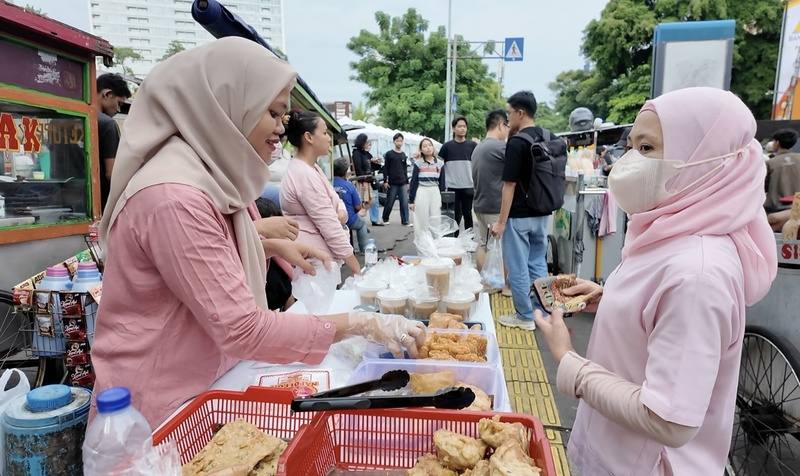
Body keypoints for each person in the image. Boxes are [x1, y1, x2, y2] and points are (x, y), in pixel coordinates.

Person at [92, 38, 425, 427]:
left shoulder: (212, 175)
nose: (281, 130)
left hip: (206, 384)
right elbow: (242, 328)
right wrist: (358, 323)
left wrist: (271, 245)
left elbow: (209, 260)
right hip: (157, 412)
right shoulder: (174, 196)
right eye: (273, 113)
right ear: (224, 107)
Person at [534, 87, 777, 475]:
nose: (628, 162)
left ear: (705, 161)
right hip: (614, 452)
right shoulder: (668, 230)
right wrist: (608, 297)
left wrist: (568, 362)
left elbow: (669, 419)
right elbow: (659, 315)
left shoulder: (698, 274)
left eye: (647, 148)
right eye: (631, 146)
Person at [491, 91, 552, 330]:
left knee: (517, 267)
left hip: (519, 216)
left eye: (509, 113)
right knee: (538, 263)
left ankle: (525, 317)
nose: (508, 118)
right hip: (542, 212)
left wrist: (501, 222)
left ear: (520, 112)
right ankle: (542, 311)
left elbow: (509, 185)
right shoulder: (548, 136)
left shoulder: (517, 142)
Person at [281, 111, 362, 275]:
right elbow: (329, 226)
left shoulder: (313, 168)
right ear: (309, 137)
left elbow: (336, 201)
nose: (328, 138)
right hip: (314, 264)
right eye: (324, 133)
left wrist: (339, 211)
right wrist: (357, 269)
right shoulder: (304, 174)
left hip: (320, 260)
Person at [472, 109, 509, 268]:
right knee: (500, 249)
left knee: (483, 245)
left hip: (480, 205)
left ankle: (483, 282)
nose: (508, 130)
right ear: (501, 125)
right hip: (495, 207)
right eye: (507, 126)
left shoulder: (478, 148)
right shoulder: (501, 147)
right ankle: (499, 286)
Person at [96, 73, 132, 210]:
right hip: (100, 204)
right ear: (107, 94)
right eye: (119, 103)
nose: (118, 110)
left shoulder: (61, 120)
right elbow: (111, 173)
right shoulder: (107, 124)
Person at [439, 116, 478, 233]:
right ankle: (454, 243)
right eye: (459, 126)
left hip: (468, 186)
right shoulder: (446, 147)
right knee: (454, 217)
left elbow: (477, 166)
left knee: (468, 215)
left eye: (464, 126)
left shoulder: (473, 146)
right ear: (453, 129)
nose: (462, 129)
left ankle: (469, 242)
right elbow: (439, 166)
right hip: (452, 187)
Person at [409, 138, 445, 237]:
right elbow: (414, 182)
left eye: (429, 145)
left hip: (435, 191)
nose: (428, 148)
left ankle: (436, 243)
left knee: (435, 218)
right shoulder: (418, 163)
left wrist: (443, 198)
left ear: (433, 147)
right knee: (421, 219)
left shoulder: (440, 163)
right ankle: (422, 244)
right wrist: (411, 201)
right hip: (422, 191)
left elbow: (442, 183)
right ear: (421, 150)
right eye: (424, 146)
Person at [333, 158, 369, 253]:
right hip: (348, 219)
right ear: (345, 171)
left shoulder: (328, 183)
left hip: (332, 218)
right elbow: (357, 206)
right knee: (362, 224)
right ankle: (364, 249)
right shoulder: (348, 185)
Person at [765, 128, 800, 212]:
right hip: (797, 206)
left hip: (775, 207)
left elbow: (764, 187)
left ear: (777, 142)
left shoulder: (770, 163)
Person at [352, 133, 382, 226]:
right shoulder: (357, 153)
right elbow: (358, 169)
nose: (368, 144)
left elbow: (374, 166)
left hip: (370, 179)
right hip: (363, 181)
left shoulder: (366, 154)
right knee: (364, 203)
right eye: (366, 142)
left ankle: (374, 219)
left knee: (373, 200)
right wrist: (364, 178)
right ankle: (359, 222)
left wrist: (376, 162)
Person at [381, 132, 411, 226]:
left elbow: (405, 169)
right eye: (397, 141)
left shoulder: (403, 155)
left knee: (404, 202)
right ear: (394, 142)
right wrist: (385, 181)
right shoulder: (389, 154)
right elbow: (385, 168)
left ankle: (405, 220)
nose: (399, 143)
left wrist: (407, 182)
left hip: (402, 182)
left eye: (401, 141)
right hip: (392, 182)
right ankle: (385, 218)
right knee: (390, 202)